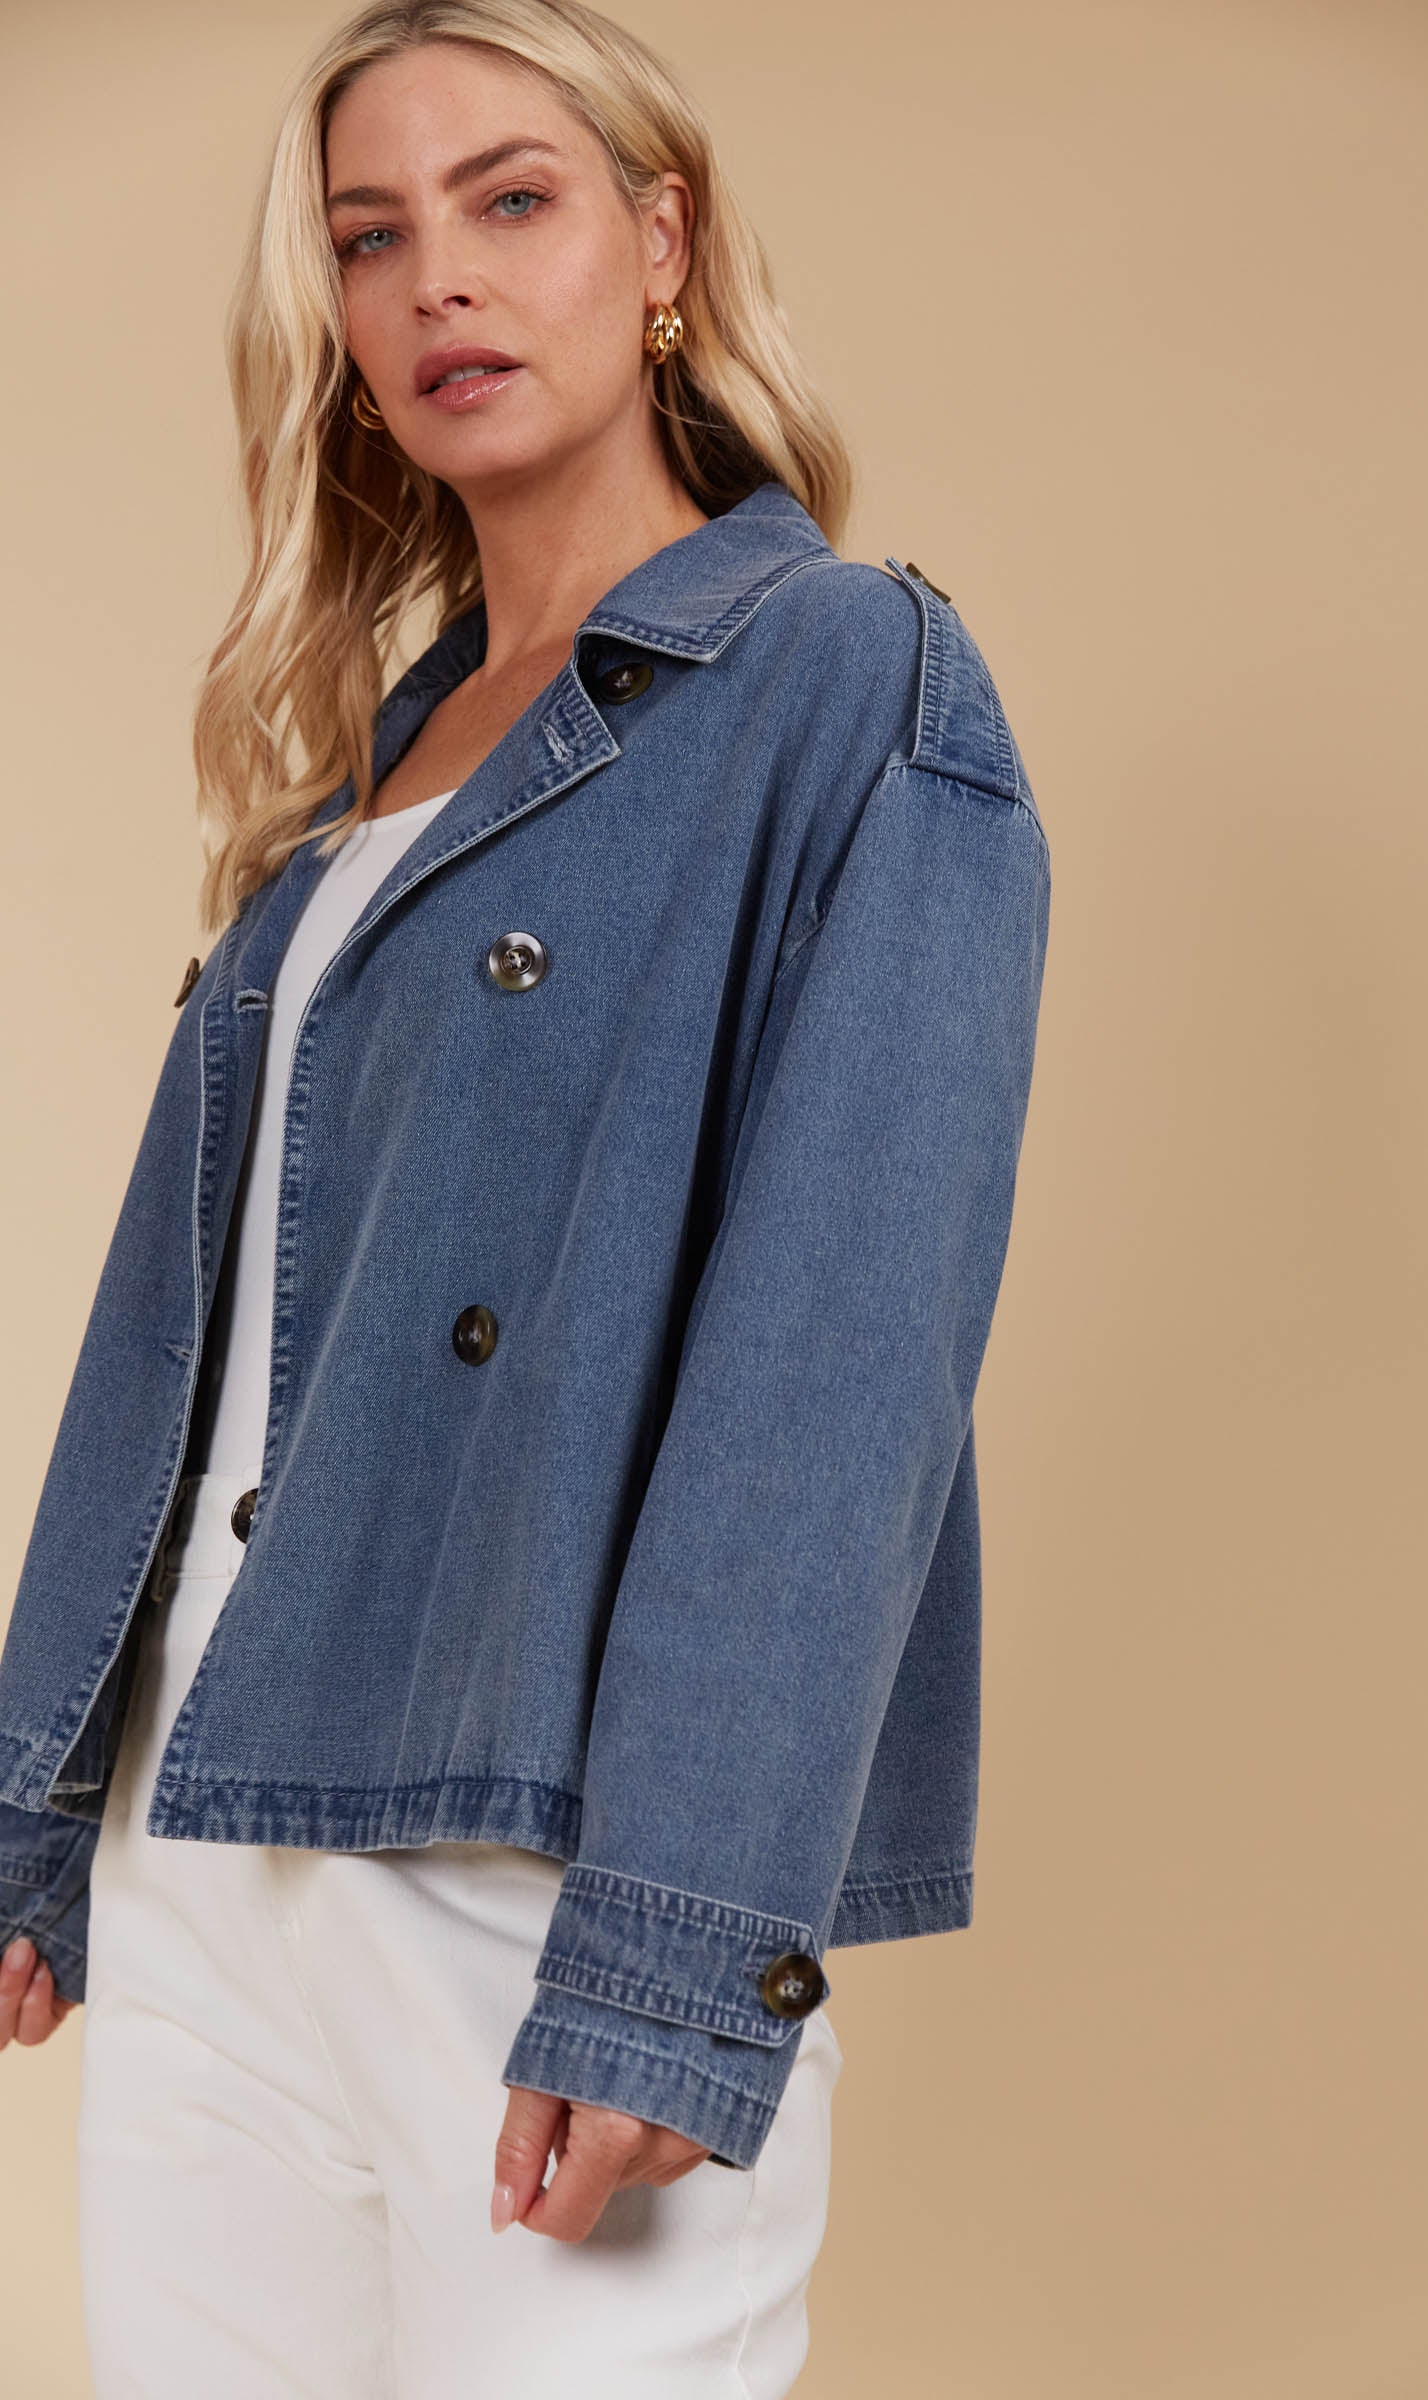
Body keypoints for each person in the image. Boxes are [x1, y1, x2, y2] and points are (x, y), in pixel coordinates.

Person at [0, 0, 1050, 2390]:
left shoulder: (844, 681)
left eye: (510, 201)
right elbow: (176, 1335)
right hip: (206, 1844)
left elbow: (841, 1358)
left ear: (660, 244)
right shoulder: (360, 773)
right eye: (371, 238)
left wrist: (679, 1951)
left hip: (531, 1858)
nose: (438, 282)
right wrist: (43, 1791)